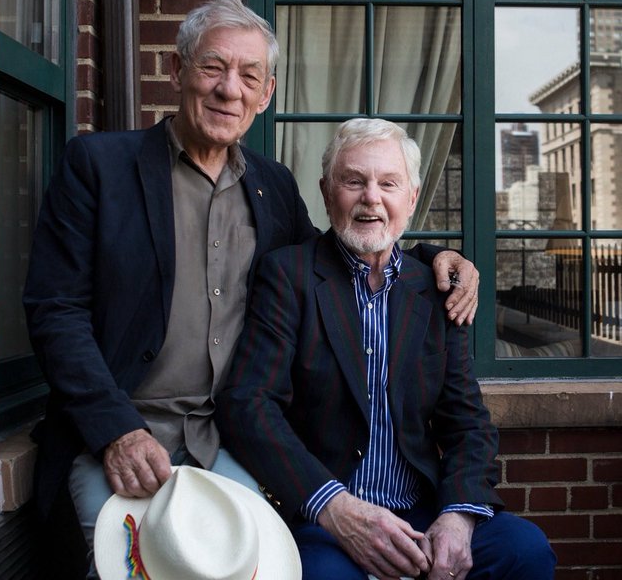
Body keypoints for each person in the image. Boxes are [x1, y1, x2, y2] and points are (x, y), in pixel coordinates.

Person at [23, 0, 478, 579]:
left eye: (249, 75)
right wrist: (117, 431)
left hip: (227, 437)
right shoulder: (97, 166)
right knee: (124, 566)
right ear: (177, 70)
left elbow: (338, 256)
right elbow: (54, 311)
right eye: (212, 67)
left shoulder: (273, 187)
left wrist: (432, 257)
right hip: (122, 432)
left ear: (266, 93)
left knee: (258, 565)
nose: (228, 89)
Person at [217, 118, 556, 580]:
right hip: (325, 517)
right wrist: (333, 507)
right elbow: (250, 405)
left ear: (412, 197)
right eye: (353, 181)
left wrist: (457, 517)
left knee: (525, 551)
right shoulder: (288, 276)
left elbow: (467, 422)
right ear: (326, 191)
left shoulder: (437, 289)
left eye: (388, 183)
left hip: (420, 511)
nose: (371, 198)